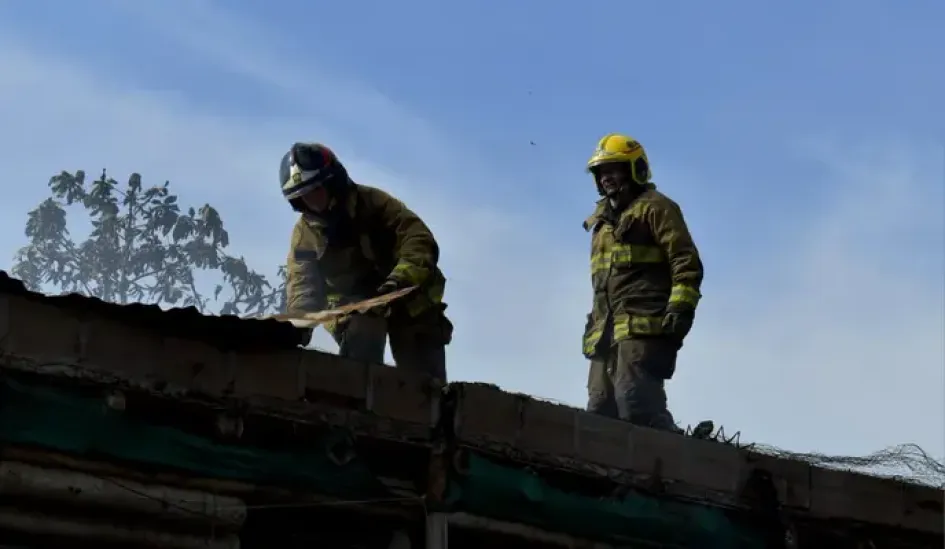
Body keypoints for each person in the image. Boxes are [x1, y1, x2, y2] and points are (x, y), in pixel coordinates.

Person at [281, 142, 452, 380]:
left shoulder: (376, 204)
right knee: (361, 341)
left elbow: (418, 240)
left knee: (423, 379)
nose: (313, 200)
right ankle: (358, 404)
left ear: (333, 181)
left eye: (317, 189)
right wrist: (299, 325)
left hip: (408, 299)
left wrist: (399, 281)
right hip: (355, 309)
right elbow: (303, 284)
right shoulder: (304, 237)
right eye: (304, 195)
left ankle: (428, 408)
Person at [581, 133, 704, 431]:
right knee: (598, 411)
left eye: (614, 169)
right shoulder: (601, 224)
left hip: (643, 326)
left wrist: (680, 309)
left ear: (635, 169)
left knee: (637, 404)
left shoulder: (656, 208)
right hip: (604, 333)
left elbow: (685, 262)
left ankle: (668, 464)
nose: (607, 177)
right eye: (602, 172)